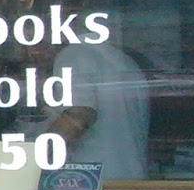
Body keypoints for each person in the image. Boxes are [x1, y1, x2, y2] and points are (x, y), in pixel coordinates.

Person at [48, 18, 149, 181]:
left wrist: (33, 155)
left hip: (92, 183)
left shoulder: (75, 55)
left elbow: (78, 116)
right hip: (132, 179)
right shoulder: (125, 61)